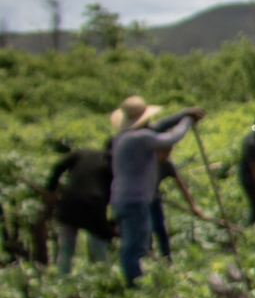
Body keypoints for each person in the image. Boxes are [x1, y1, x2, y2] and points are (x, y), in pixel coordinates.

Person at [108, 104, 202, 284]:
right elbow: (172, 137)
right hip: (134, 200)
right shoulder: (141, 138)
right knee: (135, 247)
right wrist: (187, 121)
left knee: (132, 243)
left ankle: (133, 281)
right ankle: (134, 285)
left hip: (123, 198)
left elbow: (160, 125)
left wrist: (184, 112)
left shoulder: (122, 137)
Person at [45, 139, 115, 274]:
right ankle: (105, 278)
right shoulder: (112, 164)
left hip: (70, 202)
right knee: (98, 244)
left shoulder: (83, 152)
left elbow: (59, 166)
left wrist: (51, 190)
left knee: (66, 248)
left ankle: (63, 281)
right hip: (93, 204)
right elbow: (109, 194)